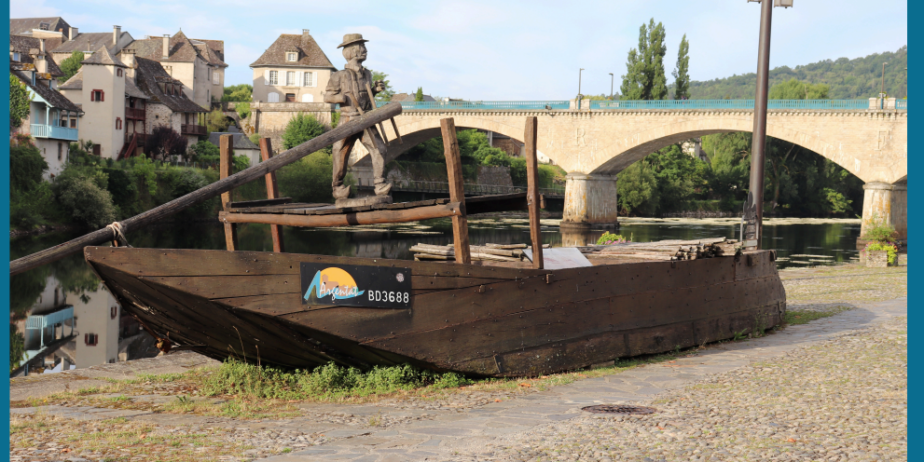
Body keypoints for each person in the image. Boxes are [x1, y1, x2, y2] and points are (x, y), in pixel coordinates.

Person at [324, 33, 392, 200]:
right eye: (362, 48)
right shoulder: (338, 76)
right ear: (352, 52)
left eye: (364, 48)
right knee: (339, 152)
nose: (365, 51)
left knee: (379, 148)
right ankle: (338, 187)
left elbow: (367, 97)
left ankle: (380, 184)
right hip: (347, 119)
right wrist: (340, 98)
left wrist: (375, 91)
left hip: (366, 119)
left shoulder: (368, 74)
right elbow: (327, 97)